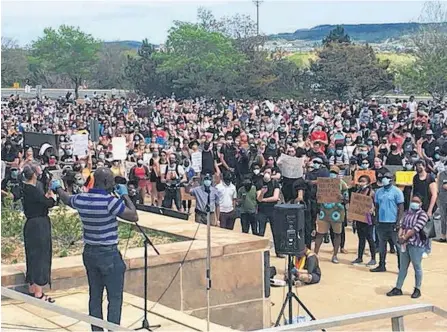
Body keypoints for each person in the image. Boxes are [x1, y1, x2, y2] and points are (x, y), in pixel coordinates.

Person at [53, 167, 139, 331]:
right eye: (112, 181)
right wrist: (125, 194)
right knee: (114, 298)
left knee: (95, 296)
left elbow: (66, 198)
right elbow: (133, 216)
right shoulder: (110, 202)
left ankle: (96, 329)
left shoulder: (82, 199)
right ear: (106, 182)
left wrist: (57, 187)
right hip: (109, 253)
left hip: (90, 252)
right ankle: (113, 329)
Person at [22, 162, 57, 302]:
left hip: (30, 224)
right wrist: (52, 197)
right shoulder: (34, 190)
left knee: (32, 255)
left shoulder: (25, 188)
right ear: (35, 175)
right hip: (39, 225)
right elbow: (48, 203)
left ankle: (32, 288)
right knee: (41, 255)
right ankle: (38, 292)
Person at [387, 195, 428, 299]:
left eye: (417, 201)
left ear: (421, 203)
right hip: (405, 244)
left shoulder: (423, 215)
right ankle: (398, 288)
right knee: (402, 267)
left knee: (417, 266)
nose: (414, 203)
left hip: (416, 244)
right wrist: (400, 236)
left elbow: (416, 228)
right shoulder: (407, 213)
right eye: (413, 201)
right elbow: (402, 225)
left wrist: (405, 237)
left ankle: (417, 288)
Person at [314, 165, 349, 264]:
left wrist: (341, 197)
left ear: (338, 174)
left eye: (334, 173)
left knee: (337, 234)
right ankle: (315, 254)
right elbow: (317, 197)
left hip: (337, 212)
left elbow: (347, 199)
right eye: (331, 172)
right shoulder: (324, 183)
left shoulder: (343, 184)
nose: (332, 174)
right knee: (320, 234)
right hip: (324, 213)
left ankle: (335, 255)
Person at [370, 172, 404, 273]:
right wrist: (376, 219)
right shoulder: (378, 192)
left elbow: (401, 208)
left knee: (397, 246)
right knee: (381, 245)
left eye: (387, 177)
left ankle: (401, 267)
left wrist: (398, 222)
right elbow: (376, 206)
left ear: (392, 179)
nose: (384, 179)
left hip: (393, 222)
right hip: (381, 222)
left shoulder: (397, 191)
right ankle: (381, 265)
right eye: (383, 177)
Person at [412, 159, 437, 258]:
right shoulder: (415, 178)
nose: (418, 167)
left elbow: (434, 195)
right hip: (417, 206)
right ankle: (420, 246)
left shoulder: (430, 178)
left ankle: (427, 248)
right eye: (417, 165)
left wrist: (430, 210)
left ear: (424, 166)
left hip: (427, 206)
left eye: (420, 165)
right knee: (418, 227)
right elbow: (414, 191)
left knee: (427, 228)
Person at [351, 175, 376, 266]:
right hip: (359, 218)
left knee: (369, 238)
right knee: (361, 238)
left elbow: (375, 204)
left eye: (363, 181)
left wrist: (372, 209)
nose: (361, 183)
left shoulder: (371, 192)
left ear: (368, 182)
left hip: (368, 218)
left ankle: (373, 258)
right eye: (360, 181)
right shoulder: (358, 191)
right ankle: (359, 257)